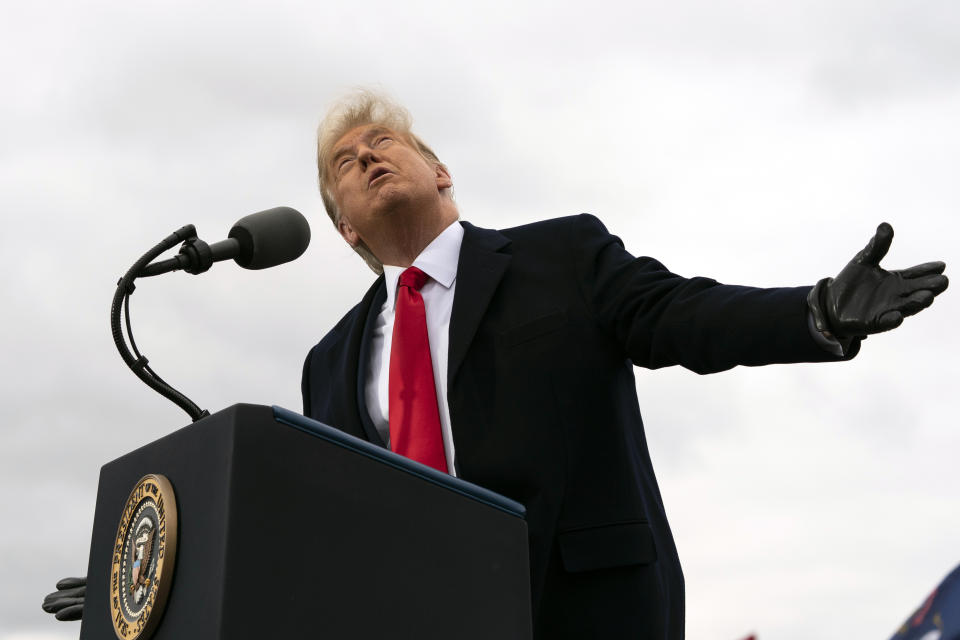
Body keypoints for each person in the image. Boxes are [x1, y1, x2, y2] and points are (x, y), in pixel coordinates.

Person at [44, 91, 949, 638]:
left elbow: (680, 316)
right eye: (344, 170)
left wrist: (813, 313)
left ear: (441, 172)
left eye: (380, 144)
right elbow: (315, 526)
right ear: (348, 230)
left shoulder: (562, 258)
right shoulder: (327, 365)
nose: (364, 158)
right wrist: (161, 581)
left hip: (585, 617)